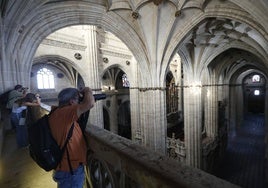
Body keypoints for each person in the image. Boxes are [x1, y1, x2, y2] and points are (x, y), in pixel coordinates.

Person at [49, 87, 95, 188]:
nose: (79, 104)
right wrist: (88, 90)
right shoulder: (65, 113)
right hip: (70, 170)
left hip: (66, 167)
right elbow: (90, 104)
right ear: (71, 102)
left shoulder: (57, 112)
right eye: (78, 101)